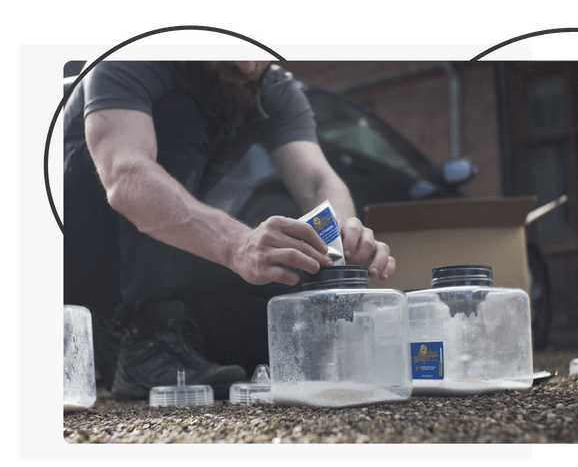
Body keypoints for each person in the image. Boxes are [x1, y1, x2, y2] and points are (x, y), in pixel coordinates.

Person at [64, 60, 396, 400]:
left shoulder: (272, 87)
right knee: (177, 112)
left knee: (280, 314)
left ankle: (123, 338)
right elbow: (126, 175)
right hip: (64, 258)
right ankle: (147, 336)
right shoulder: (133, 58)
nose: (248, 63)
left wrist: (340, 240)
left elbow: (316, 181)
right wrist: (237, 244)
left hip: (141, 262)